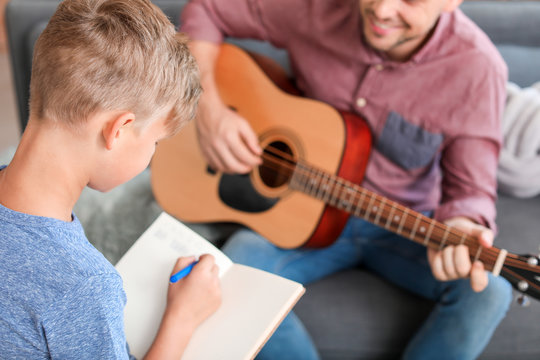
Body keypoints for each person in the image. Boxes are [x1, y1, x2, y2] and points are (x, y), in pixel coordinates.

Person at [180, 0, 513, 359]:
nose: (382, 10)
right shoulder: (315, 7)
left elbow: (470, 191)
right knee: (234, 267)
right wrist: (209, 108)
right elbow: (207, 9)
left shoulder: (478, 67)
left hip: (402, 227)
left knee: (490, 291)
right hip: (303, 212)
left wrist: (462, 227)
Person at [0, 0, 221, 358]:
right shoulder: (82, 286)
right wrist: (182, 319)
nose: (153, 155)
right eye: (156, 142)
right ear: (118, 130)